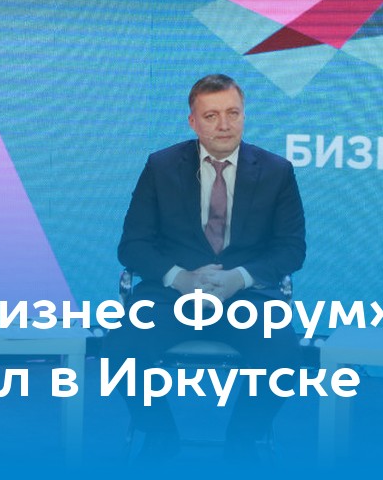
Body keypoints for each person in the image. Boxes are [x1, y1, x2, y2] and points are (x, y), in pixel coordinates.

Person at [104, 74, 306, 461]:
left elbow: (291, 250)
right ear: (193, 122)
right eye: (211, 116)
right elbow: (133, 245)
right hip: (170, 296)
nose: (224, 125)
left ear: (244, 115)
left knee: (283, 358)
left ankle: (241, 443)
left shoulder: (276, 171)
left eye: (233, 113)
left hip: (247, 297)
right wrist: (180, 278)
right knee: (122, 349)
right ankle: (160, 436)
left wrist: (238, 278)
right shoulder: (161, 166)